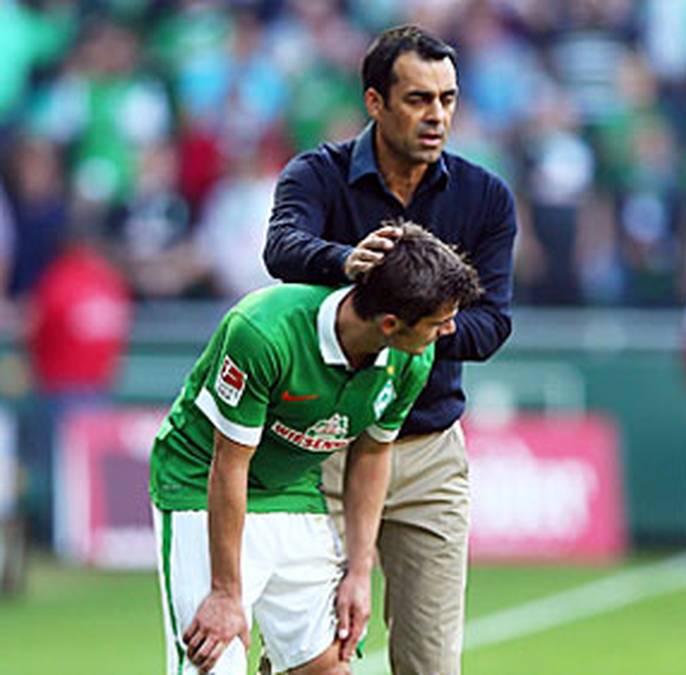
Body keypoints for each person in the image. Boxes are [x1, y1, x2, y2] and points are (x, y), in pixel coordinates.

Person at [262, 24, 516, 675]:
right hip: (321, 447)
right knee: (304, 662)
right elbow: (281, 248)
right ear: (374, 102)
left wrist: (414, 324)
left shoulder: (486, 197)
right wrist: (349, 262)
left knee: (431, 663)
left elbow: (493, 322)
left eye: (448, 99)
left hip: (428, 451)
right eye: (418, 99)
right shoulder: (317, 175)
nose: (437, 116)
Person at [150, 225, 483, 675]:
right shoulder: (263, 332)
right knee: (214, 662)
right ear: (389, 324)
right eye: (438, 321)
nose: (450, 329)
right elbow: (229, 463)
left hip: (294, 489)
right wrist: (226, 592)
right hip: (199, 486)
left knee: (328, 667)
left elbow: (372, 455)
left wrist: (359, 574)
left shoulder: (412, 358)